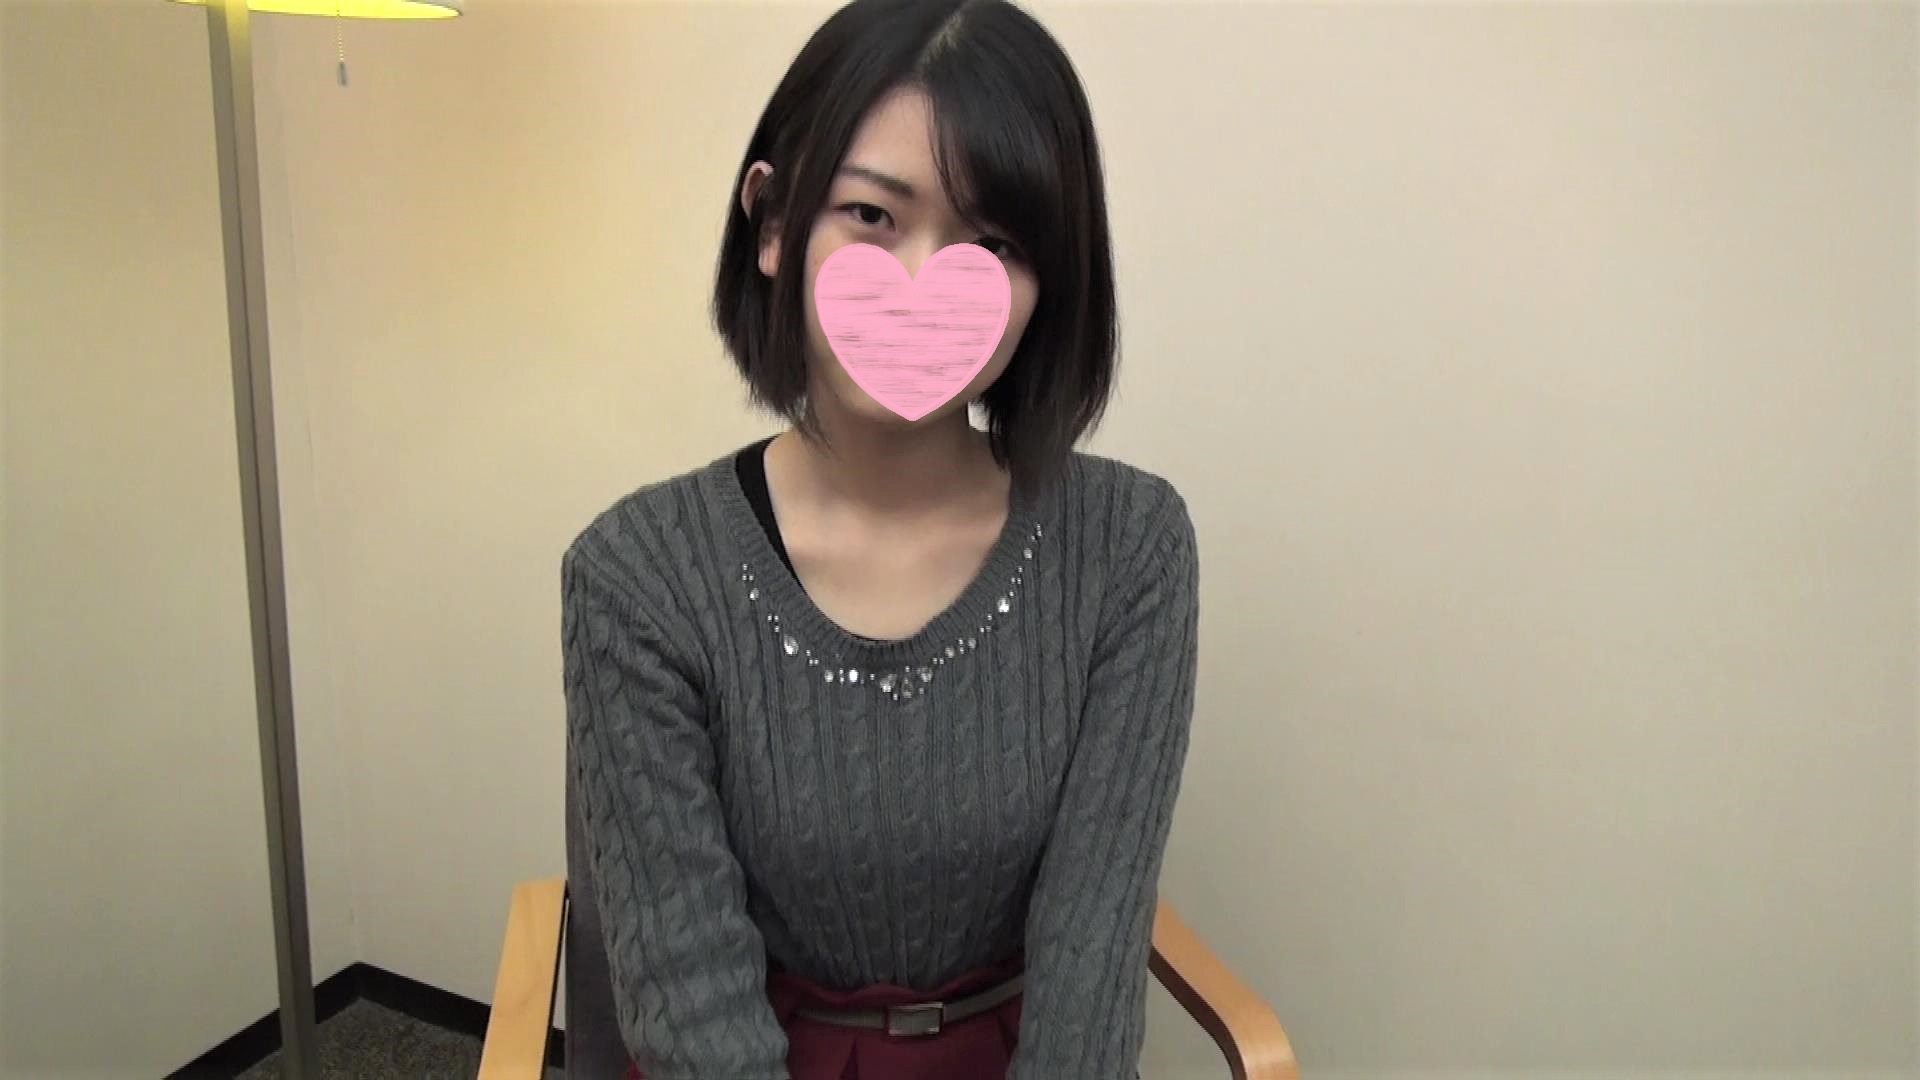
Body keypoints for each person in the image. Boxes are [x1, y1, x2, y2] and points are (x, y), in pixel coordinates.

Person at [560, 1, 1200, 1076]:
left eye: (995, 243)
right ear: (773, 225)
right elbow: (688, 1001)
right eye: (871, 214)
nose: (923, 284)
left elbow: (1090, 974)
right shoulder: (637, 575)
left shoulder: (1130, 548)